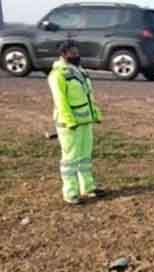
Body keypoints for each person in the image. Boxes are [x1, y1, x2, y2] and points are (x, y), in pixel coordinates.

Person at [48, 40, 104, 205]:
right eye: (72, 52)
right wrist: (69, 121)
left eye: (77, 51)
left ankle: (88, 187)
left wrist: (96, 114)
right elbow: (60, 101)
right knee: (70, 159)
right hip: (70, 124)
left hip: (85, 120)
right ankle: (71, 193)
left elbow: (89, 96)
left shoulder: (80, 72)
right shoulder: (58, 75)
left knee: (85, 157)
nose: (76, 55)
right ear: (63, 54)